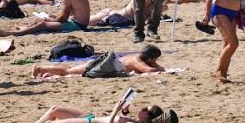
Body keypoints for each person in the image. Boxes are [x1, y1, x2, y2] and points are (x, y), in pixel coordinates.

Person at [24, 100, 180, 123]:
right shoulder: (134, 121)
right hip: (90, 117)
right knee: (54, 109)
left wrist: (114, 111)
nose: (143, 107)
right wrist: (124, 112)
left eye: (146, 109)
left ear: (147, 118)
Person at [30, 45, 164, 80]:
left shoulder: (137, 56)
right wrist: (157, 66)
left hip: (105, 62)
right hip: (103, 65)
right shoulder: (137, 61)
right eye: (155, 59)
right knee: (69, 71)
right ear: (150, 58)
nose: (156, 62)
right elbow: (150, 71)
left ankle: (45, 71)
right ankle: (40, 68)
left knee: (71, 70)